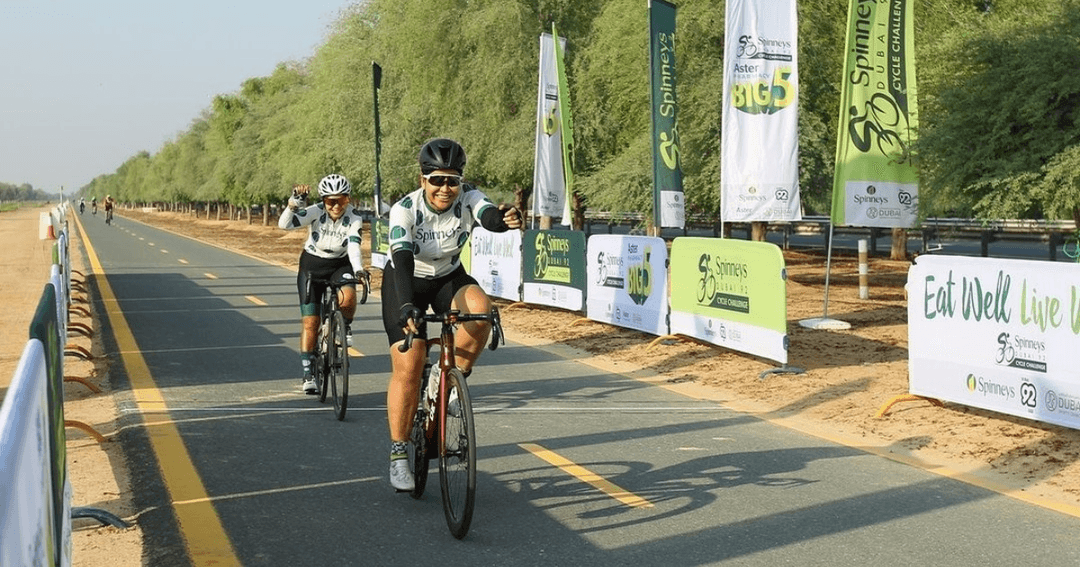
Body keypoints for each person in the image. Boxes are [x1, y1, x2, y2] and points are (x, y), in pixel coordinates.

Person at [382, 138, 522, 491]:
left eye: (452, 181)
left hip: (448, 276)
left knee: (480, 312)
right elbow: (400, 260)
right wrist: (405, 306)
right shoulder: (404, 210)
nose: (445, 188)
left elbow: (488, 215)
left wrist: (503, 220)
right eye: (436, 180)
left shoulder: (469, 197)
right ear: (422, 179)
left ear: (461, 181)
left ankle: (450, 379)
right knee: (410, 359)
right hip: (406, 277)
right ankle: (399, 452)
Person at [278, 175, 365, 395]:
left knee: (348, 297)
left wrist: (358, 270)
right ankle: (308, 373)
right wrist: (294, 202)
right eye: (330, 201)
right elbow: (284, 224)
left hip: (340, 264)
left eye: (342, 201)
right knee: (310, 323)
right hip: (312, 265)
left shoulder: (354, 217)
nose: (336, 206)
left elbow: (354, 246)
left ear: (348, 199)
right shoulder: (316, 211)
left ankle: (344, 325)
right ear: (323, 200)